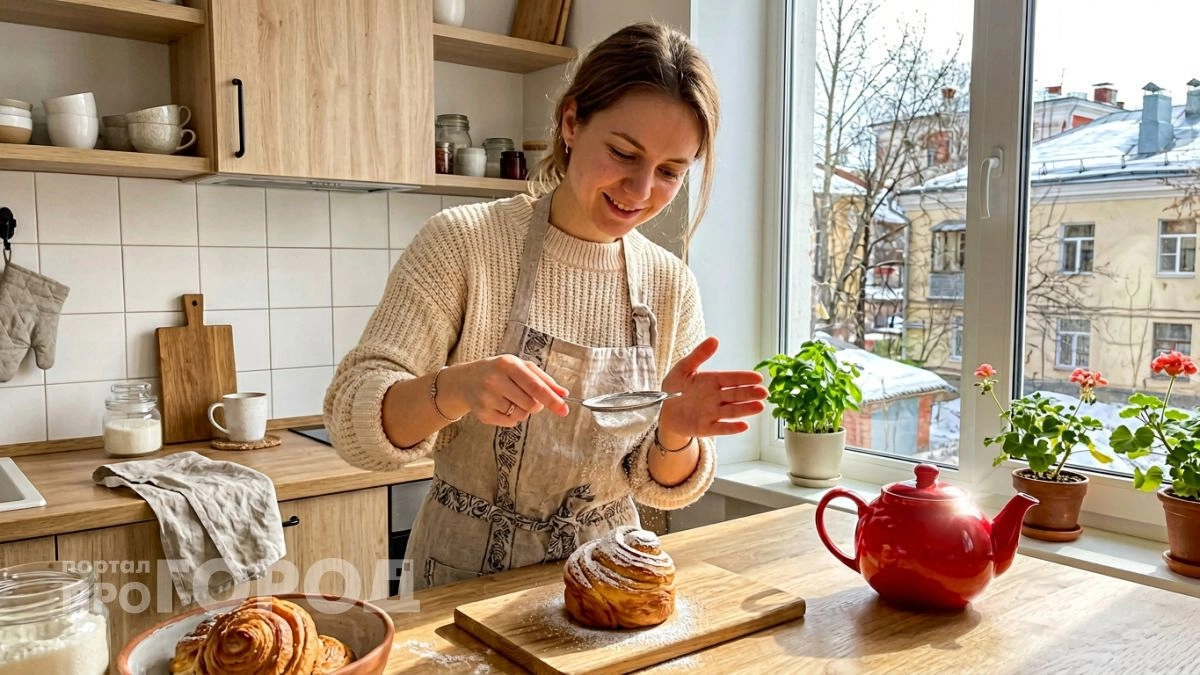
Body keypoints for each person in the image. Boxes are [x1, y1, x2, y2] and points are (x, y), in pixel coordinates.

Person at [324, 21, 767, 590]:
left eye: (670, 172)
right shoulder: (464, 242)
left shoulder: (669, 284)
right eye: (623, 153)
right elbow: (351, 418)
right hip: (460, 580)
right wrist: (454, 390)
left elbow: (660, 482)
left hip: (611, 577)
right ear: (571, 122)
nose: (639, 190)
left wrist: (675, 433)